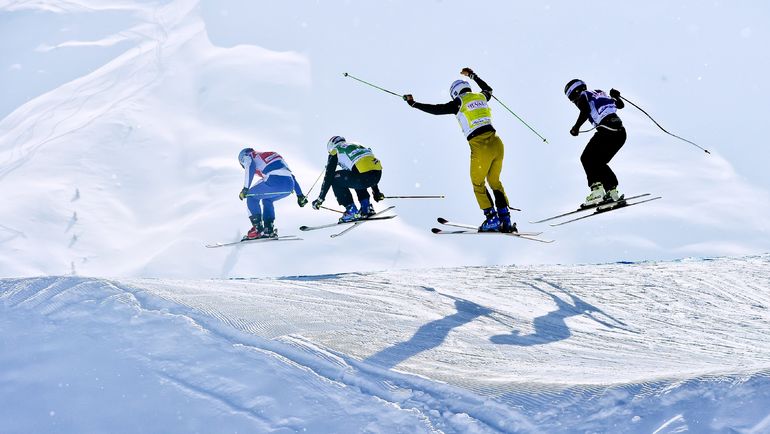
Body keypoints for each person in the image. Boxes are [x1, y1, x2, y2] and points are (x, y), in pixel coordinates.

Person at [403, 68, 516, 233]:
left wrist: (414, 104)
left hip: (480, 146)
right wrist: (473, 75)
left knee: (478, 183)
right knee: (495, 182)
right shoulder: (480, 96)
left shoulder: (459, 101)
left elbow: (437, 110)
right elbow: (489, 89)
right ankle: (505, 219)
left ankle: (491, 219)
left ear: (455, 93)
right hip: (497, 144)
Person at [564, 79, 626, 208]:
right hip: (620, 133)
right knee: (598, 162)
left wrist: (576, 128)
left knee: (586, 158)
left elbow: (585, 111)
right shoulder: (599, 93)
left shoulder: (583, 95)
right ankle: (612, 192)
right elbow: (620, 105)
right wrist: (616, 96)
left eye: (572, 99)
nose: (574, 102)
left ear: (574, 92)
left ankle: (597, 191)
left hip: (607, 130)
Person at [311, 136, 385, 222]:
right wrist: (376, 192)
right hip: (377, 175)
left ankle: (351, 211)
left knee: (335, 178)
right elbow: (369, 170)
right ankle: (366, 207)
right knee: (355, 175)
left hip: (362, 178)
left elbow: (328, 177)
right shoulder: (357, 145)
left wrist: (320, 198)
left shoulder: (335, 150)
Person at [238, 148, 307, 240]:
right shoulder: (270, 155)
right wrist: (300, 195)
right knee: (267, 199)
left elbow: (250, 165)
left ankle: (257, 229)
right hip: (289, 185)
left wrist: (245, 189)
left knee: (251, 196)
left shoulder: (248, 156)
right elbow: (291, 176)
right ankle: (268, 229)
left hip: (275, 180)